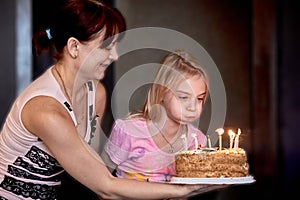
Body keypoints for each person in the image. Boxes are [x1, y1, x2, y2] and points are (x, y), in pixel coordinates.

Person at [0, 0, 224, 199]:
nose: (115, 55)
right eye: (107, 46)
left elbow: (96, 166)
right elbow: (105, 186)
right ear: (74, 47)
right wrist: (183, 190)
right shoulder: (45, 110)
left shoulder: (95, 93)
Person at [101, 50, 209, 183]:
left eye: (199, 99)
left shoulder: (197, 141)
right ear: (162, 92)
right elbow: (101, 179)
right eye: (183, 97)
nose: (192, 107)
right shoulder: (129, 132)